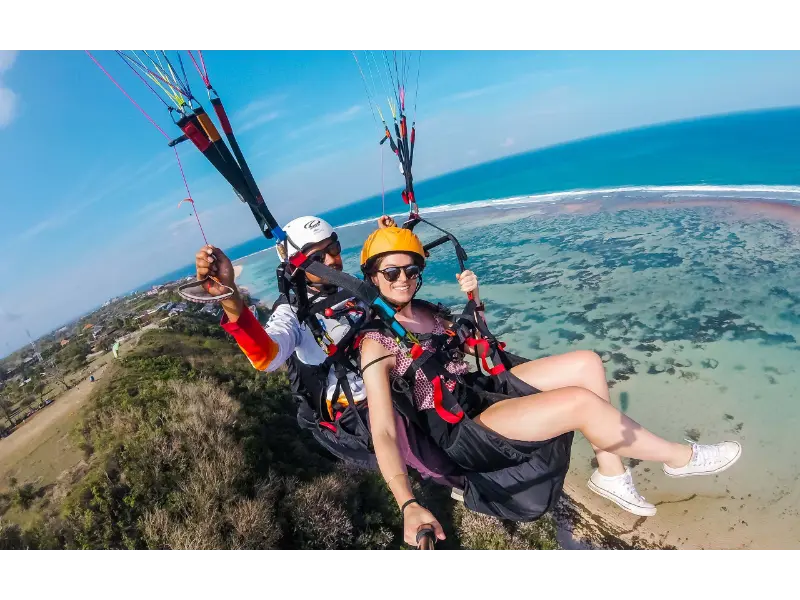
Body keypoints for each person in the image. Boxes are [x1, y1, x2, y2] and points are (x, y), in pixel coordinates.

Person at [357, 226, 743, 546]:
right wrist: (407, 502)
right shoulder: (377, 343)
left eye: (411, 270)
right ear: (373, 277)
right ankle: (679, 459)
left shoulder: (427, 312)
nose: (404, 279)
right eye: (391, 273)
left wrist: (474, 297)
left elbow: (475, 341)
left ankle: (610, 473)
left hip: (476, 391)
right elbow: (384, 431)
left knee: (586, 364)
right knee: (578, 403)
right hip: (461, 427)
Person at [194, 215, 463, 485]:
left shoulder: (350, 288)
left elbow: (381, 285)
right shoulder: (292, 313)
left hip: (392, 381)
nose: (332, 260)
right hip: (358, 408)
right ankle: (457, 483)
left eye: (334, 249)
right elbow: (267, 356)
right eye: (318, 257)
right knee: (438, 460)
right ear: (296, 264)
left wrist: (388, 241)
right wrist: (230, 298)